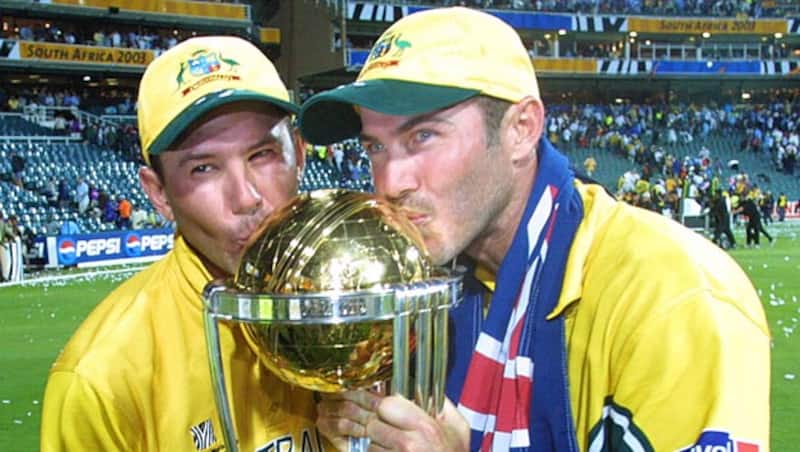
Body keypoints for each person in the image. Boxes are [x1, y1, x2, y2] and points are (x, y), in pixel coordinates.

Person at [298, 7, 770, 451]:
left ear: (521, 128)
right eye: (375, 148)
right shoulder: (421, 289)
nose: (391, 182)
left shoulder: (676, 297)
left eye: (423, 136)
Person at [41, 36, 328, 452]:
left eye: (262, 155)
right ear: (158, 194)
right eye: (204, 168)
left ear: (299, 154)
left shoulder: (364, 309)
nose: (246, 197)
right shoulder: (100, 378)